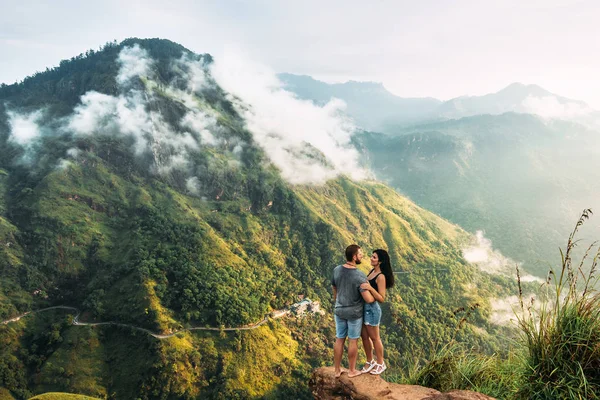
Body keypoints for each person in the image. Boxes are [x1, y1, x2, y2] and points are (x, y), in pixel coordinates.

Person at [331, 244, 375, 378]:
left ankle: (337, 370)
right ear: (354, 257)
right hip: (354, 313)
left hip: (339, 310)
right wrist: (375, 294)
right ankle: (351, 370)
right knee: (353, 341)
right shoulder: (359, 275)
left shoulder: (337, 270)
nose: (362, 255)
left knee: (339, 339)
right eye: (360, 253)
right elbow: (368, 299)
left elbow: (334, 288)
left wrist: (338, 300)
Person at [359, 249, 395, 375]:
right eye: (372, 256)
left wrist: (369, 287)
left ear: (380, 261)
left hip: (372, 310)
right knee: (364, 337)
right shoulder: (372, 272)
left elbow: (381, 298)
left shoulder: (381, 277)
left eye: (374, 257)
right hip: (364, 308)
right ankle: (370, 361)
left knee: (375, 338)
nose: (371, 258)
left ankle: (381, 363)